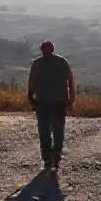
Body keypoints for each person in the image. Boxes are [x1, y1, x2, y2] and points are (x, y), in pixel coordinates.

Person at [27, 40, 75, 169]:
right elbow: (70, 80)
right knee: (53, 130)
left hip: (47, 102)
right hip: (53, 101)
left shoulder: (38, 63)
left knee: (47, 130)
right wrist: (71, 98)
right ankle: (53, 157)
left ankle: (50, 157)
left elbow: (32, 81)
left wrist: (30, 96)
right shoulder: (61, 62)